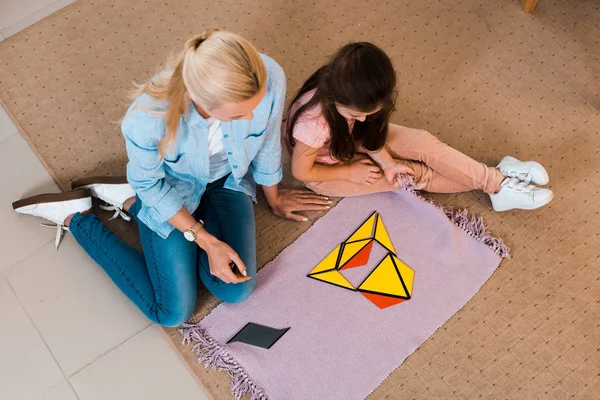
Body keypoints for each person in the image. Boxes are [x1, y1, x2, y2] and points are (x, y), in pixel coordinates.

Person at [12, 30, 330, 327]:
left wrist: (273, 196)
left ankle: (127, 196)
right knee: (171, 312)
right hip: (171, 191)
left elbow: (267, 141)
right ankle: (77, 217)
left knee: (236, 289)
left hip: (229, 181)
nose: (250, 118)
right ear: (203, 102)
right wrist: (205, 240)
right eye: (237, 115)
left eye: (254, 108)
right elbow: (152, 184)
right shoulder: (147, 118)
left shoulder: (269, 75)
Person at [286, 42, 553, 211]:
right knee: (416, 174)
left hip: (349, 141)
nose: (366, 119)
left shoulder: (357, 103)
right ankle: (498, 181)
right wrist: (349, 172)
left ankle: (497, 182)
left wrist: (388, 163)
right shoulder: (315, 127)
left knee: (423, 143)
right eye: (357, 114)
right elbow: (301, 171)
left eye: (371, 113)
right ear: (337, 101)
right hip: (327, 170)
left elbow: (369, 135)